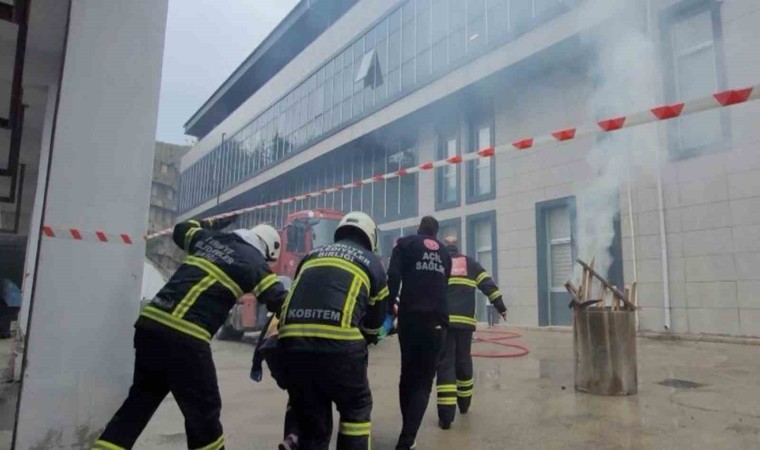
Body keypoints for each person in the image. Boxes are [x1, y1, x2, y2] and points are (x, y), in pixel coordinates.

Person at [94, 217, 287, 450]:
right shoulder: (254, 262)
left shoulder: (209, 239)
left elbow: (182, 229)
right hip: (185, 338)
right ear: (267, 250)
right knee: (205, 415)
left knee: (138, 405)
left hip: (150, 327)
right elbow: (280, 301)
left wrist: (214, 222)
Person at [277, 211, 389, 450]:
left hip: (291, 346)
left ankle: (298, 439)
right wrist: (366, 339)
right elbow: (375, 323)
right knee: (356, 406)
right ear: (371, 237)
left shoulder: (311, 256)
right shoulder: (372, 263)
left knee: (310, 418)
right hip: (340, 349)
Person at [387, 216, 452, 450]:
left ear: (418, 229)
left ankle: (408, 433)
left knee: (408, 375)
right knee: (424, 382)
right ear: (436, 233)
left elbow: (393, 276)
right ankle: (408, 437)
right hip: (436, 322)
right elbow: (443, 285)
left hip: (410, 320)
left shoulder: (405, 244)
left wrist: (388, 306)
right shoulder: (445, 254)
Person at [436, 236, 507, 430]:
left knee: (446, 364)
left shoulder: (439, 263)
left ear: (444, 249)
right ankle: (464, 405)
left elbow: (426, 289)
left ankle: (445, 417)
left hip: (445, 322)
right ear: (457, 249)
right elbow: (488, 284)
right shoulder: (470, 263)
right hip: (465, 323)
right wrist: (500, 306)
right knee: (464, 360)